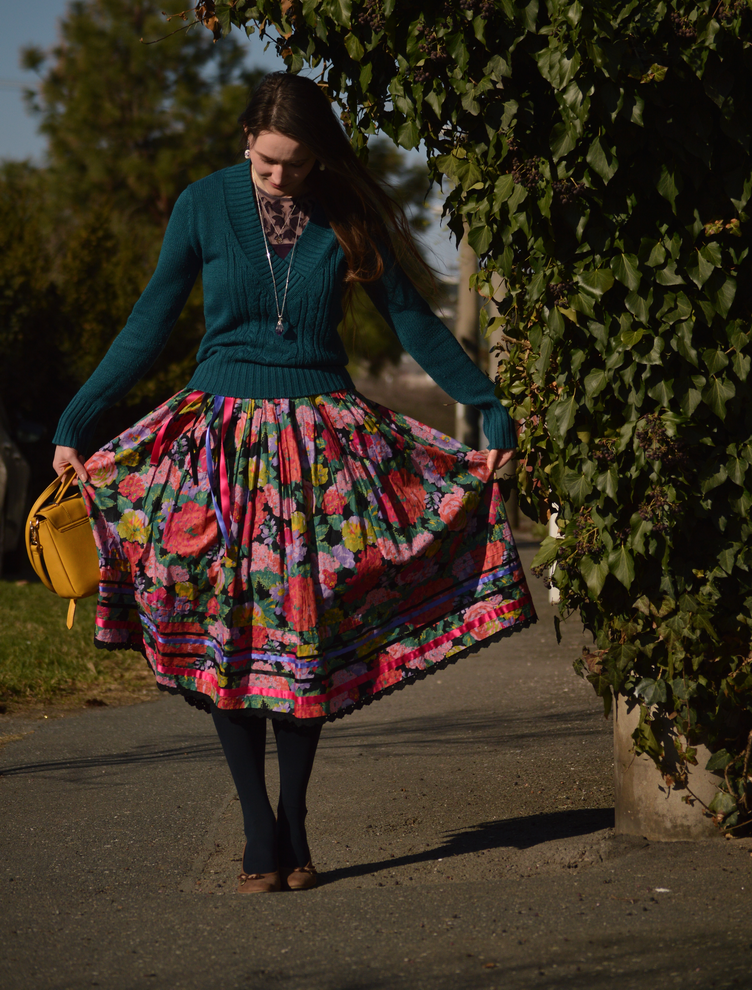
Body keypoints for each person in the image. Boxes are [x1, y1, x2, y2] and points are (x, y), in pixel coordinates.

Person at [52, 72, 536, 894]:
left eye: (297, 166)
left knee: (300, 640)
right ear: (247, 138)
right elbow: (150, 320)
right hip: (217, 448)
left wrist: (487, 404)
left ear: (319, 157)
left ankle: (297, 819)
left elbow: (414, 319)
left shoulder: (347, 211)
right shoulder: (202, 205)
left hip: (318, 449)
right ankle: (256, 827)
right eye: (270, 163)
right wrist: (76, 420)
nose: (281, 178)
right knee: (227, 638)